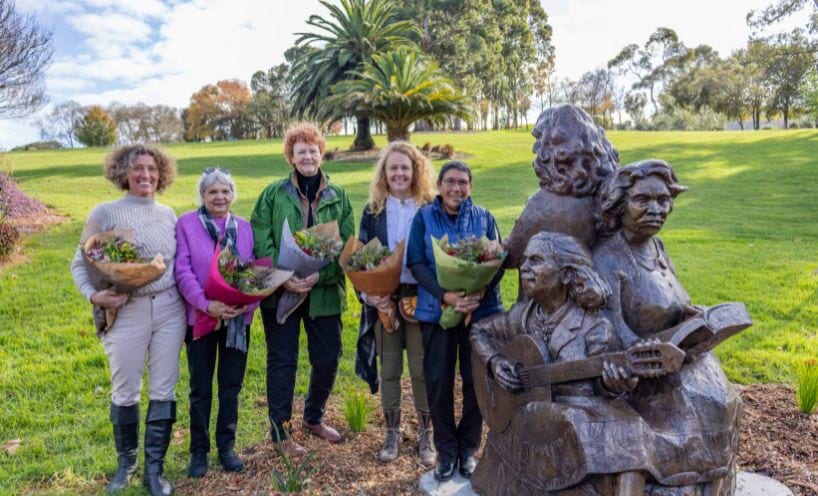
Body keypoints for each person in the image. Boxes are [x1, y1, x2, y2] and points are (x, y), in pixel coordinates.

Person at [592, 160, 741, 495]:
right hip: (647, 373)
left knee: (727, 401)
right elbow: (612, 331)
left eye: (663, 200)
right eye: (642, 200)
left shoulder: (657, 248)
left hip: (684, 361)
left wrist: (693, 314)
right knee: (707, 410)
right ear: (619, 204)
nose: (656, 209)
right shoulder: (608, 259)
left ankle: (715, 485)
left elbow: (673, 300)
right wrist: (657, 355)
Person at [470, 232, 640, 495]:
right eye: (525, 260)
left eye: (536, 261)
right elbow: (479, 331)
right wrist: (494, 361)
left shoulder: (596, 329)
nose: (524, 268)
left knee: (624, 441)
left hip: (576, 421)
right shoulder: (521, 317)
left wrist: (614, 384)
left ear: (567, 275)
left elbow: (608, 391)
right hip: (526, 421)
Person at [70, 145, 185, 496]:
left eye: (152, 168)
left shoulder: (169, 214)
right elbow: (80, 263)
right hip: (127, 310)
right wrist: (95, 295)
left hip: (169, 308)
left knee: (164, 387)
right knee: (125, 389)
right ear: (123, 172)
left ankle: (154, 470)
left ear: (161, 173)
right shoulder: (105, 212)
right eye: (138, 168)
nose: (146, 174)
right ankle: (126, 464)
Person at [251, 122, 354, 456]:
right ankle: (281, 435)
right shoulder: (272, 194)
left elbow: (347, 243)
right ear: (291, 157)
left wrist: (318, 278)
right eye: (301, 151)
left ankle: (313, 417)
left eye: (313, 150)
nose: (308, 156)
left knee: (327, 358)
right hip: (282, 292)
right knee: (283, 361)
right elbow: (261, 236)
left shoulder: (339, 197)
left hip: (323, 294)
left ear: (321, 153)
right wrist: (283, 277)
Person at [406, 160, 504, 481]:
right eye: (450, 181)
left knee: (477, 382)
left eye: (463, 182)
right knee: (438, 381)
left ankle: (468, 449)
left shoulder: (485, 218)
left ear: (470, 187)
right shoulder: (424, 218)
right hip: (437, 314)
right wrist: (445, 296)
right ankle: (446, 451)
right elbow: (417, 263)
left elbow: (499, 260)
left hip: (479, 314)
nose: (456, 188)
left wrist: (481, 291)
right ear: (440, 184)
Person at [355, 141, 436, 466]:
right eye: (393, 168)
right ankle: (392, 432)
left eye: (405, 167)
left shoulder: (430, 206)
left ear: (415, 171)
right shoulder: (373, 209)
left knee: (420, 370)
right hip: (384, 300)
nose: (399, 173)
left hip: (422, 298)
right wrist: (368, 294)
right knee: (389, 370)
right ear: (384, 173)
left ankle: (426, 434)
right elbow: (360, 257)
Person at [175, 167, 255, 478]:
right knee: (200, 387)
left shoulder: (245, 228)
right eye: (212, 192)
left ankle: (226, 447)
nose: (220, 197)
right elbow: (182, 270)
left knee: (231, 387)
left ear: (233, 195)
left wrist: (246, 305)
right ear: (202, 196)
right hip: (201, 318)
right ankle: (198, 451)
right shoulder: (187, 224)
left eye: (225, 191)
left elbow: (257, 274)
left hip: (237, 320)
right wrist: (207, 304)